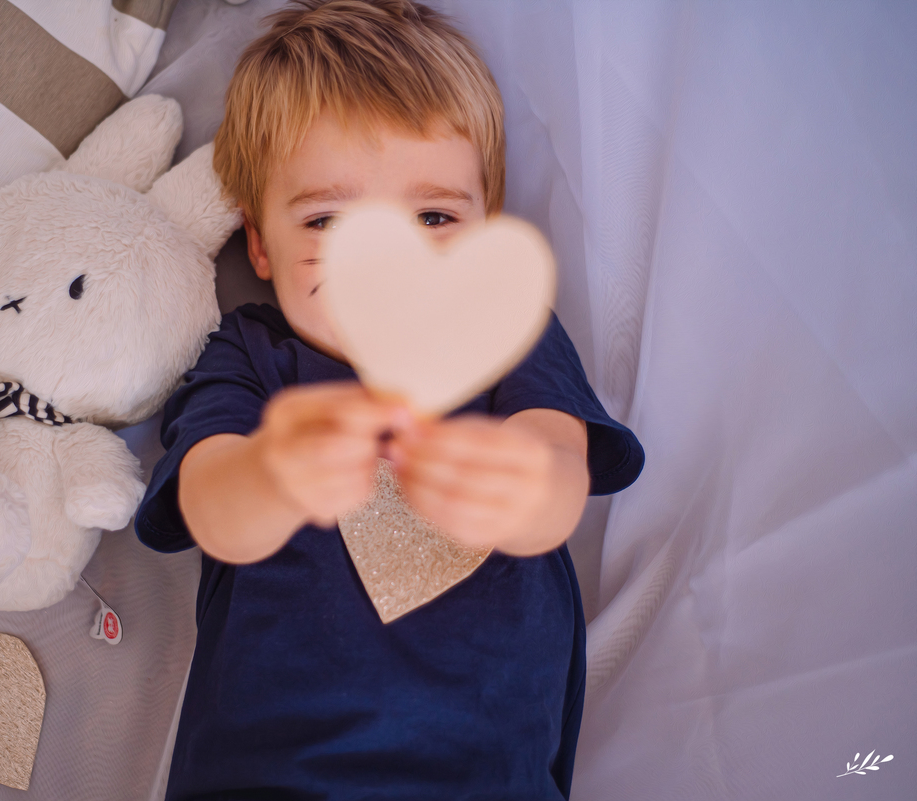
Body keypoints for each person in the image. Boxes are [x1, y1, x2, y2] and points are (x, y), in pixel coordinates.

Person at [134, 1, 644, 797]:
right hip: (264, 771)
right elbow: (209, 502)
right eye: (330, 220)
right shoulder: (252, 355)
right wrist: (272, 471)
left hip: (484, 773)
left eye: (434, 215)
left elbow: (557, 474)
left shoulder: (503, 331)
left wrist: (513, 483)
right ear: (259, 243)